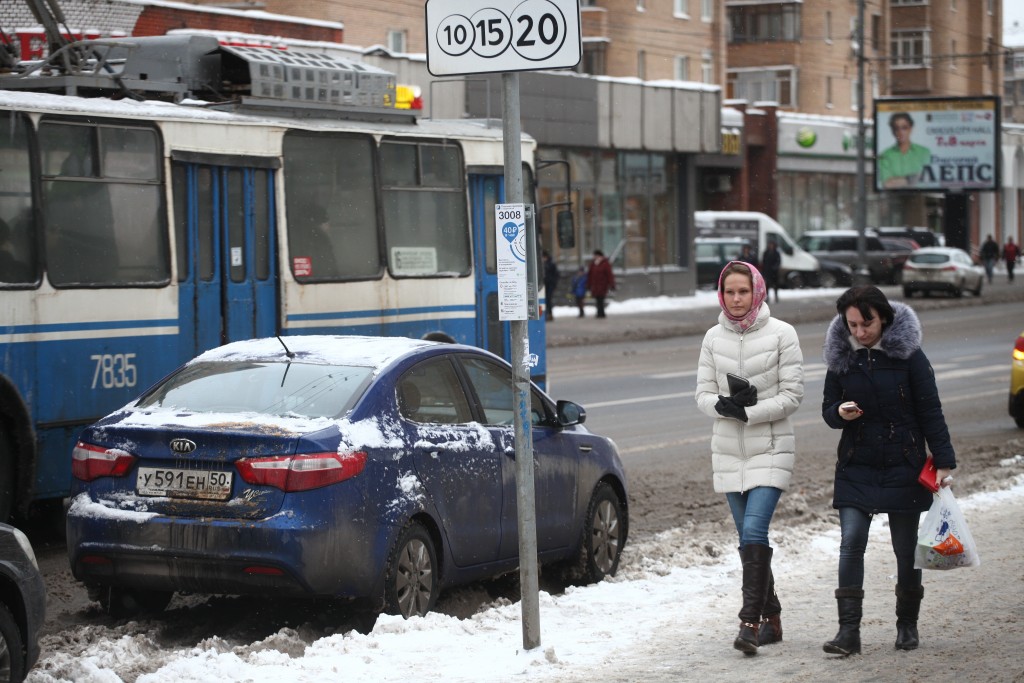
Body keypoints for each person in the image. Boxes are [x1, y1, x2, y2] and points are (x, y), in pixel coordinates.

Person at [820, 285, 956, 657]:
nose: (860, 332)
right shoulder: (841, 357)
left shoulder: (909, 356)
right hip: (856, 464)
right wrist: (839, 413)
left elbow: (930, 410)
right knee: (851, 544)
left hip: (903, 462)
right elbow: (828, 410)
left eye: (867, 323)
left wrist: (943, 460)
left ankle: (907, 625)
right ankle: (848, 632)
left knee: (905, 549)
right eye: (852, 325)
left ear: (884, 318)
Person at [695, 261, 804, 656]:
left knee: (755, 532)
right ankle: (772, 617)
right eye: (729, 292)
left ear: (757, 291)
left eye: (743, 291)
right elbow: (702, 393)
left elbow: (793, 395)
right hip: (728, 451)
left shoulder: (782, 334)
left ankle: (749, 623)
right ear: (720, 295)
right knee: (748, 539)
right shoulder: (712, 337)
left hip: (771, 447)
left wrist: (749, 411)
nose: (736, 299)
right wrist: (723, 405)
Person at [878, 112, 931, 189]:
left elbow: (928, 180)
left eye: (904, 128)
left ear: (911, 129)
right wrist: (912, 178)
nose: (900, 132)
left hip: (920, 198)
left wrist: (898, 181)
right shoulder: (885, 155)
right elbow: (887, 184)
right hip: (893, 198)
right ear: (892, 131)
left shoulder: (924, 152)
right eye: (896, 128)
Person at [587, 249, 615, 319]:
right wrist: (588, 284)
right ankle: (600, 312)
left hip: (602, 285)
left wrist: (612, 284)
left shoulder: (605, 263)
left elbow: (609, 274)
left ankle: (601, 313)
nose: (594, 257)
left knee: (601, 298)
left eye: (595, 255)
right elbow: (590, 275)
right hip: (595, 285)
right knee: (597, 298)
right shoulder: (593, 264)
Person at [542, 251, 560, 321]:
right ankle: (547, 314)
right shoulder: (542, 264)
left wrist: (553, 283)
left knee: (548, 300)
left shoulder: (551, 264)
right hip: (545, 284)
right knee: (546, 300)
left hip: (550, 284)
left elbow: (556, 275)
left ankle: (549, 314)